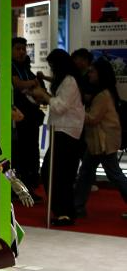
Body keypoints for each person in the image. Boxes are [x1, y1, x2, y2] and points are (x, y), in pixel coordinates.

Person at [32, 49, 85, 226]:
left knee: (55, 173)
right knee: (60, 174)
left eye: (53, 66)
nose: (52, 70)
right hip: (64, 130)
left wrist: (44, 95)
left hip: (66, 131)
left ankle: (63, 212)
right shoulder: (68, 80)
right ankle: (64, 212)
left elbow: (60, 107)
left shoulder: (69, 81)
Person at [74, 58, 127, 219]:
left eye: (92, 71)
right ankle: (78, 206)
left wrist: (75, 111)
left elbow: (93, 118)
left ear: (100, 74)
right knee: (87, 172)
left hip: (102, 142)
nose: (89, 74)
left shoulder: (102, 95)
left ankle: (77, 206)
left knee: (112, 174)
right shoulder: (105, 92)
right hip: (100, 141)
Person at [11, 37, 44, 193]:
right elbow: (17, 84)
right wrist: (32, 84)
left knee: (32, 151)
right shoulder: (10, 67)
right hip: (18, 119)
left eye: (24, 49)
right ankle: (21, 187)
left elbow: (39, 90)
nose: (22, 52)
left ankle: (31, 183)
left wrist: (32, 85)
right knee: (20, 152)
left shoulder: (26, 68)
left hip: (31, 118)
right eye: (18, 49)